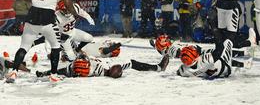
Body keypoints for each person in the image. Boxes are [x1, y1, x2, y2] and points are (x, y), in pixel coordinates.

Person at [6, 0, 78, 83]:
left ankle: (13, 72)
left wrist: (35, 2)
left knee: (24, 46)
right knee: (55, 46)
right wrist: (75, 13)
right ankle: (54, 75)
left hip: (32, 16)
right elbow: (66, 1)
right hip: (47, 18)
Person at [150, 34, 255, 69]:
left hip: (196, 52)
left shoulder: (167, 50)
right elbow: (178, 53)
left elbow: (162, 51)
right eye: (166, 40)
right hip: (196, 53)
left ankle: (245, 54)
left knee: (222, 52)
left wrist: (154, 44)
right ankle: (244, 62)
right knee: (221, 55)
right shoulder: (172, 49)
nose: (169, 40)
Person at [35, 53, 169, 79]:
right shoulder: (99, 70)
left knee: (62, 69)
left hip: (91, 63)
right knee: (131, 62)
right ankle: (158, 68)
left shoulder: (76, 69)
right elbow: (113, 72)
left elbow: (61, 71)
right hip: (103, 63)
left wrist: (44, 74)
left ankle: (158, 67)